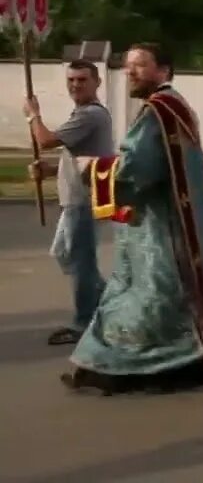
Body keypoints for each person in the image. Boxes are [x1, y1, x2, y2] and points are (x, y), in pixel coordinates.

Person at [60, 43, 203, 397]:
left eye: (140, 65)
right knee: (155, 302)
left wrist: (89, 167)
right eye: (127, 65)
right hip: (163, 223)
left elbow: (135, 168)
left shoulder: (159, 110)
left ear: (164, 71)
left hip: (165, 231)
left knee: (162, 298)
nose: (129, 71)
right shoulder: (172, 107)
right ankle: (107, 369)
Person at [23, 59, 115, 346]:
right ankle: (111, 304)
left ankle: (84, 321)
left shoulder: (90, 114)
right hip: (81, 196)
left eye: (82, 80)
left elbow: (47, 140)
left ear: (97, 82)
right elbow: (75, 157)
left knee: (80, 261)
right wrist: (49, 171)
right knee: (67, 255)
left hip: (85, 199)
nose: (75, 85)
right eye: (71, 80)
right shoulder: (83, 113)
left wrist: (32, 115)